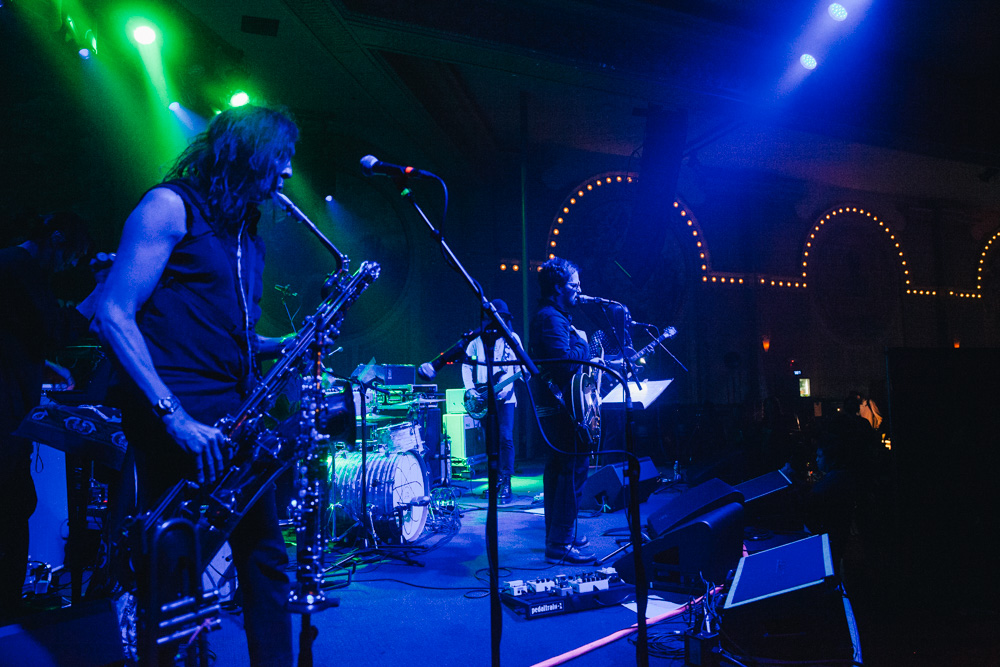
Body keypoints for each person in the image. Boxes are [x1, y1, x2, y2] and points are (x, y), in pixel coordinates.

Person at [94, 105, 298, 666]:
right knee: (176, 566)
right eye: (280, 158)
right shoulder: (169, 206)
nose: (287, 172)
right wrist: (175, 417)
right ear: (248, 154)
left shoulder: (243, 230)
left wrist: (284, 344)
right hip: (175, 412)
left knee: (265, 556)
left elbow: (223, 329)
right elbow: (114, 313)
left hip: (234, 416)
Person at [0, 212, 97, 620]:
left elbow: (13, 336)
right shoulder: (20, 268)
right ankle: (8, 608)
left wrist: (42, 365)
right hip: (6, 414)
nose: (68, 266)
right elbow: (59, 330)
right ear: (56, 238)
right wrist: (101, 291)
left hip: (12, 405)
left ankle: (9, 604)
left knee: (17, 501)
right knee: (13, 504)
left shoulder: (10, 265)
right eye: (70, 256)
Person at [529, 257, 595, 564]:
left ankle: (560, 534)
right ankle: (560, 543)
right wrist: (584, 342)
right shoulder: (552, 318)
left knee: (560, 472)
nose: (579, 289)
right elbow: (564, 364)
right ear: (558, 287)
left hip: (558, 407)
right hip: (563, 408)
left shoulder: (552, 316)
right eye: (574, 284)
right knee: (571, 471)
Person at [461, 299, 526, 504]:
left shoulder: (512, 338)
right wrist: (471, 389)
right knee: (491, 441)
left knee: (506, 438)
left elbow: (522, 368)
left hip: (506, 398)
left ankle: (506, 481)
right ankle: (494, 480)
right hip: (483, 397)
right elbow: (465, 365)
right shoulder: (477, 338)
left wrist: (521, 375)